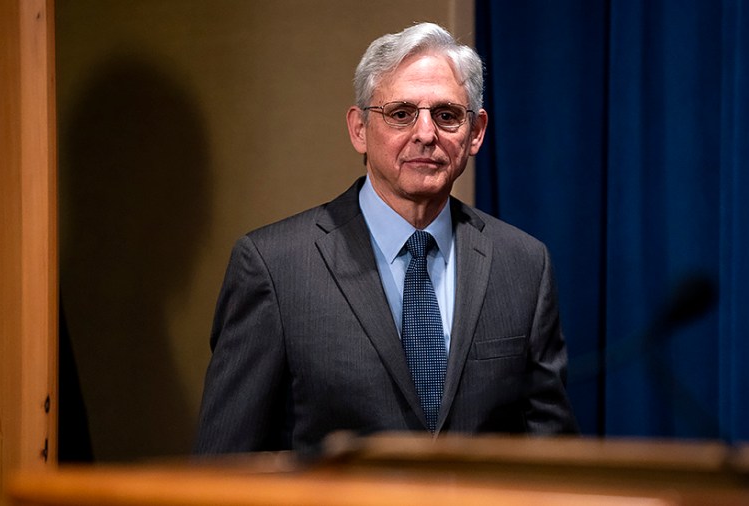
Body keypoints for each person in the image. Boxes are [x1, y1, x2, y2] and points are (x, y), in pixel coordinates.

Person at [194, 22, 578, 455]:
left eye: (447, 115)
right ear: (359, 128)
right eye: (401, 113)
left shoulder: (523, 265)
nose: (426, 133)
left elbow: (553, 459)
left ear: (475, 133)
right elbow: (224, 466)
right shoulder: (274, 267)